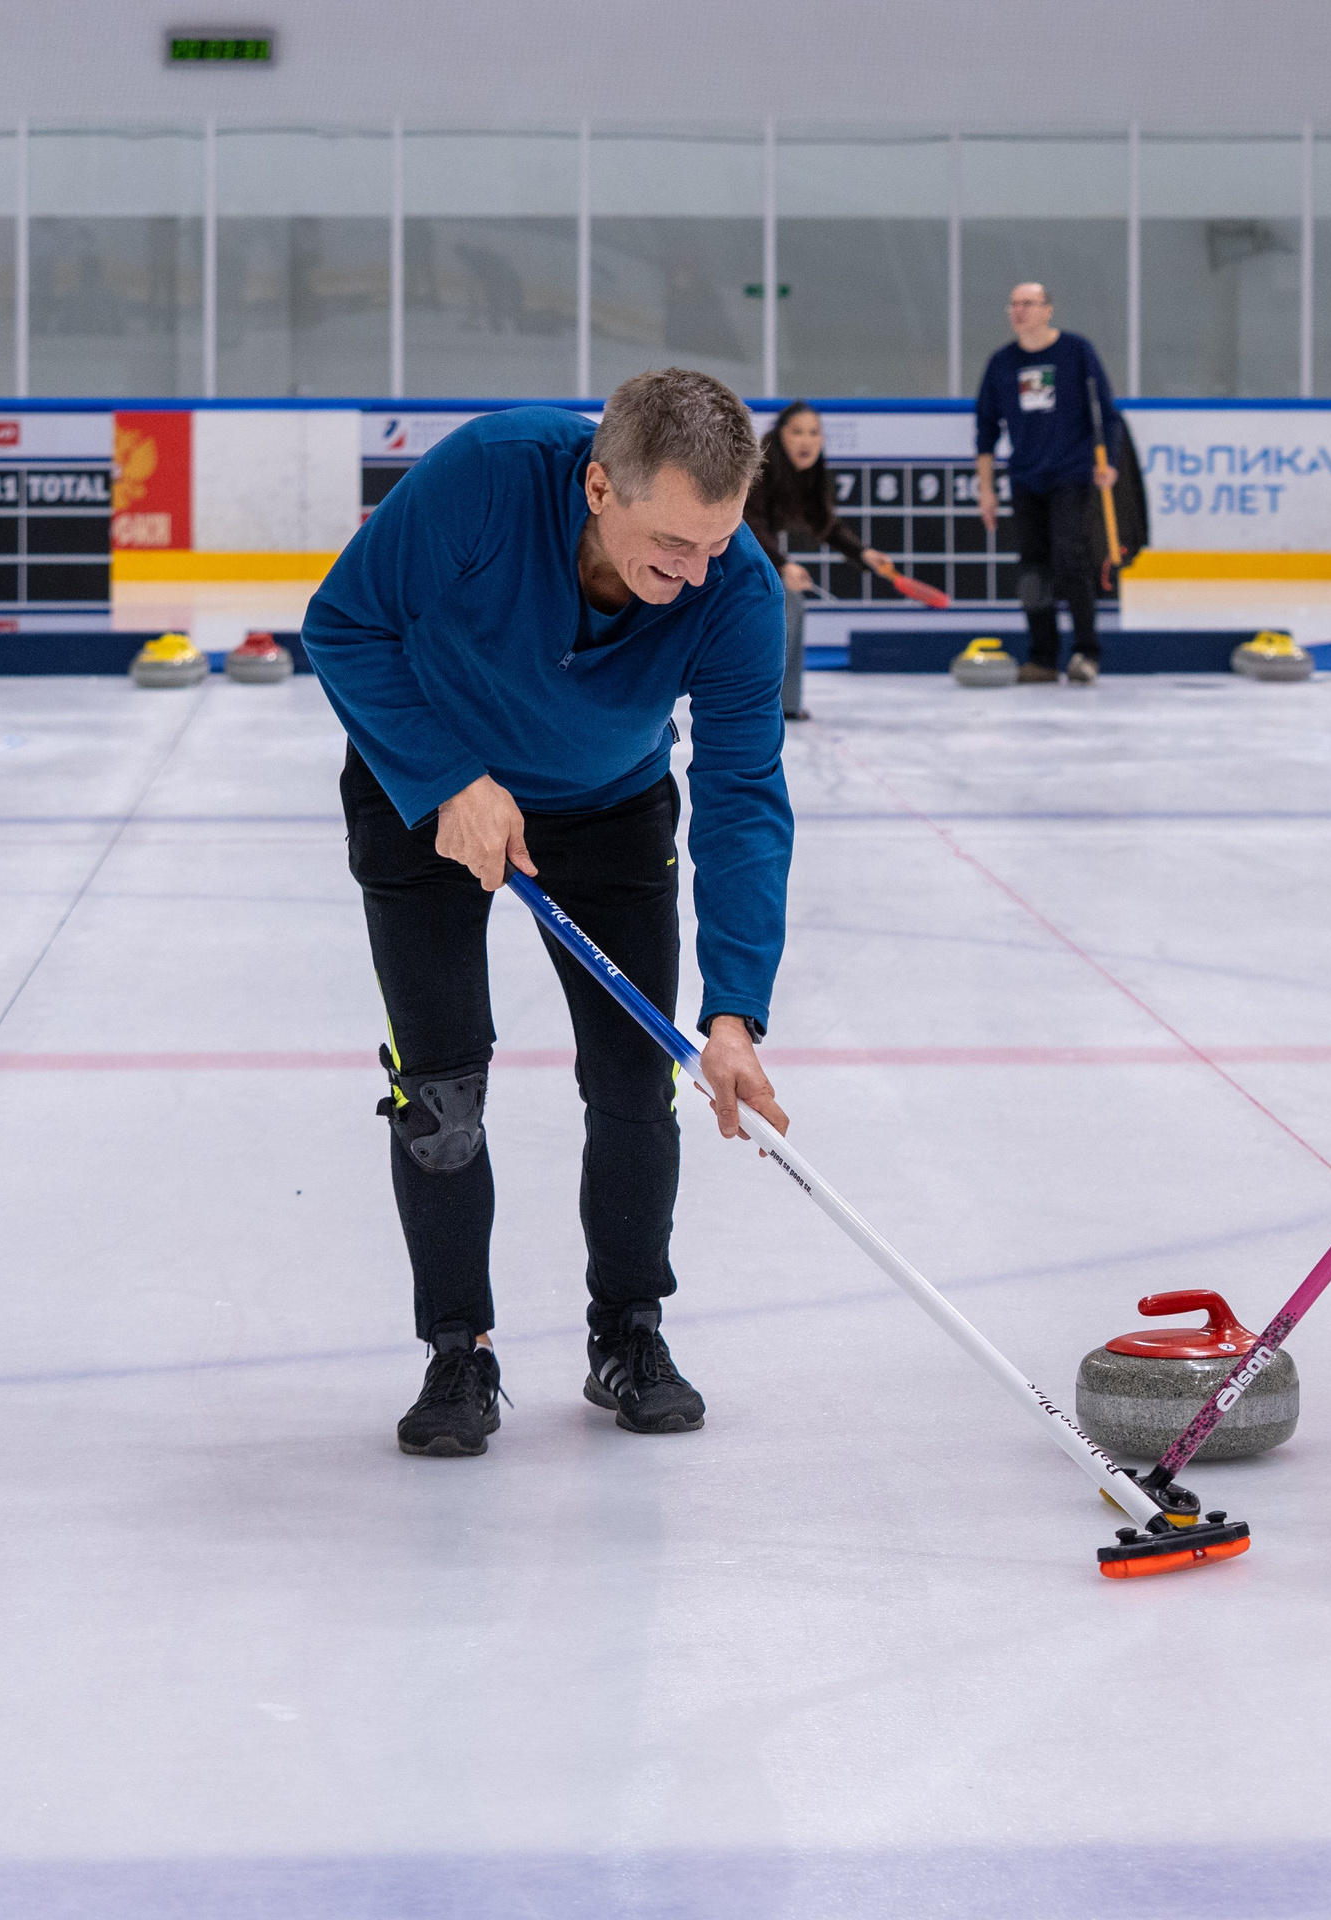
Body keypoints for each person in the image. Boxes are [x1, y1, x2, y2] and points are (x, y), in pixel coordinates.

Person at [304, 368, 794, 1459]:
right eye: (672, 543)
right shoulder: (486, 475)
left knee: (632, 1079)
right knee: (441, 1091)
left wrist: (736, 1013)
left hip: (608, 809)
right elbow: (343, 625)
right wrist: (445, 779)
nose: (694, 571)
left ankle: (628, 1329)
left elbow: (744, 794)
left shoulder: (735, 590)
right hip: (422, 789)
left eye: (715, 543)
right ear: (598, 488)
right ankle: (458, 1350)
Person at [974, 281, 1120, 685]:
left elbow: (1106, 414)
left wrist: (1110, 463)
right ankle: (1041, 657)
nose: (1019, 311)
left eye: (1029, 303)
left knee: (1072, 561)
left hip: (1071, 475)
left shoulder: (1076, 352)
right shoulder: (1001, 364)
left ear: (1048, 309)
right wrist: (986, 489)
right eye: (1014, 303)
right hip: (1025, 480)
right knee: (1032, 570)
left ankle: (1086, 652)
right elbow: (985, 430)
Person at [744, 399, 896, 723]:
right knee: (786, 602)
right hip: (725, 551)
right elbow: (748, 524)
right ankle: (768, 704)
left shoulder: (810, 476)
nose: (806, 440)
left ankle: (783, 704)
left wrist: (863, 553)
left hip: (756, 553)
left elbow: (825, 524)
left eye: (814, 432)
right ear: (780, 435)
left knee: (792, 603)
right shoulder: (758, 468)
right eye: (797, 432)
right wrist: (783, 565)